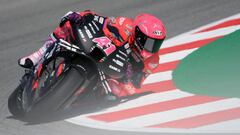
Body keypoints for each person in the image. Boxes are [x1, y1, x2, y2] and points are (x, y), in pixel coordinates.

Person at [18, 10, 166, 99]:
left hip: (112, 74)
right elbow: (102, 22)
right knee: (68, 25)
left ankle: (81, 99)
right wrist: (84, 16)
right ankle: (38, 55)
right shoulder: (124, 23)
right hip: (97, 49)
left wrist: (130, 77)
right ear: (137, 33)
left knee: (115, 93)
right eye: (148, 42)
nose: (151, 47)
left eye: (156, 43)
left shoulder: (153, 60)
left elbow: (136, 85)